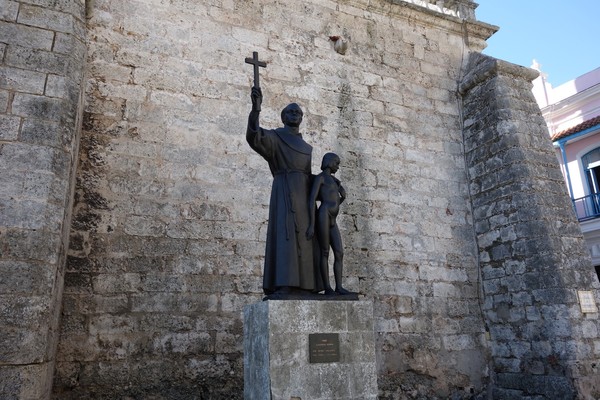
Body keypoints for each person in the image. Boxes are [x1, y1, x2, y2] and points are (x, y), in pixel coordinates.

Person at [246, 87, 316, 297]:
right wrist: (256, 109)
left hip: (303, 196)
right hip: (284, 190)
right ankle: (284, 283)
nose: (295, 115)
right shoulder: (275, 137)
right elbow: (254, 137)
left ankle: (306, 285)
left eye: (298, 113)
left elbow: (309, 175)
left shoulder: (307, 147)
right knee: (285, 236)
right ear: (283, 117)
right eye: (291, 112)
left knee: (305, 238)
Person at [307, 153, 351, 295]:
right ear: (329, 162)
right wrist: (312, 225)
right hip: (324, 214)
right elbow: (311, 199)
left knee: (339, 252)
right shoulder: (320, 178)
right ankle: (327, 287)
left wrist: (342, 197)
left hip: (333, 218)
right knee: (324, 251)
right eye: (336, 163)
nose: (338, 167)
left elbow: (337, 200)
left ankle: (339, 286)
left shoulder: (335, 181)